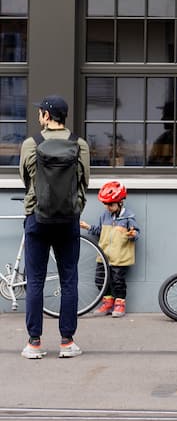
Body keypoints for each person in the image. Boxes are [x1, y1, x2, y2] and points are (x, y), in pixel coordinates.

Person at [18, 96, 90, 359]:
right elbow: (85, 181)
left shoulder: (31, 144)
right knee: (69, 279)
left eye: (40, 112)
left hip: (37, 218)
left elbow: (25, 178)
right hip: (68, 219)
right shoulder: (78, 144)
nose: (39, 116)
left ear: (47, 116)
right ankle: (67, 342)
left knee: (35, 280)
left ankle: (34, 344)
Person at [80, 179, 140, 317]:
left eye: (111, 205)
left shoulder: (128, 216)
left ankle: (120, 304)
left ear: (120, 203)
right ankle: (107, 303)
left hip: (120, 257)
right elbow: (100, 231)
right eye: (105, 205)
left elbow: (136, 232)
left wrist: (132, 234)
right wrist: (88, 227)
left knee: (117, 282)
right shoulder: (104, 216)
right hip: (104, 256)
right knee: (100, 280)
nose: (108, 208)